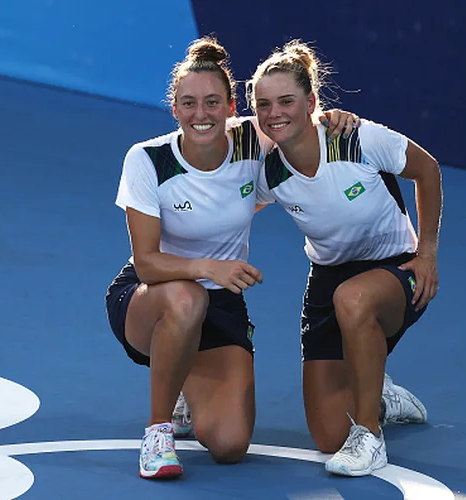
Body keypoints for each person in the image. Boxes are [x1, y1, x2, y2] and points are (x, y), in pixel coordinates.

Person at [105, 36, 359, 479]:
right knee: (187, 300)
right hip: (152, 298)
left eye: (211, 103)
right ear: (174, 109)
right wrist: (209, 267)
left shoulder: (251, 141)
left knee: (229, 444)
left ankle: (186, 379)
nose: (200, 115)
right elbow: (146, 262)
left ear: (230, 107)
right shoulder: (147, 160)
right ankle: (158, 432)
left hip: (220, 304)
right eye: (188, 103)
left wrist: (333, 119)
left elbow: (298, 122)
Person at [249, 40, 443, 477]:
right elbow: (233, 203)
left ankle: (371, 437)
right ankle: (379, 396)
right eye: (264, 105)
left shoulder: (355, 137)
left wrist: (428, 252)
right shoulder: (270, 170)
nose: (274, 112)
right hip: (327, 278)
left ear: (312, 102)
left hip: (396, 270)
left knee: (354, 300)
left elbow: (427, 169)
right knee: (327, 434)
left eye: (286, 101)